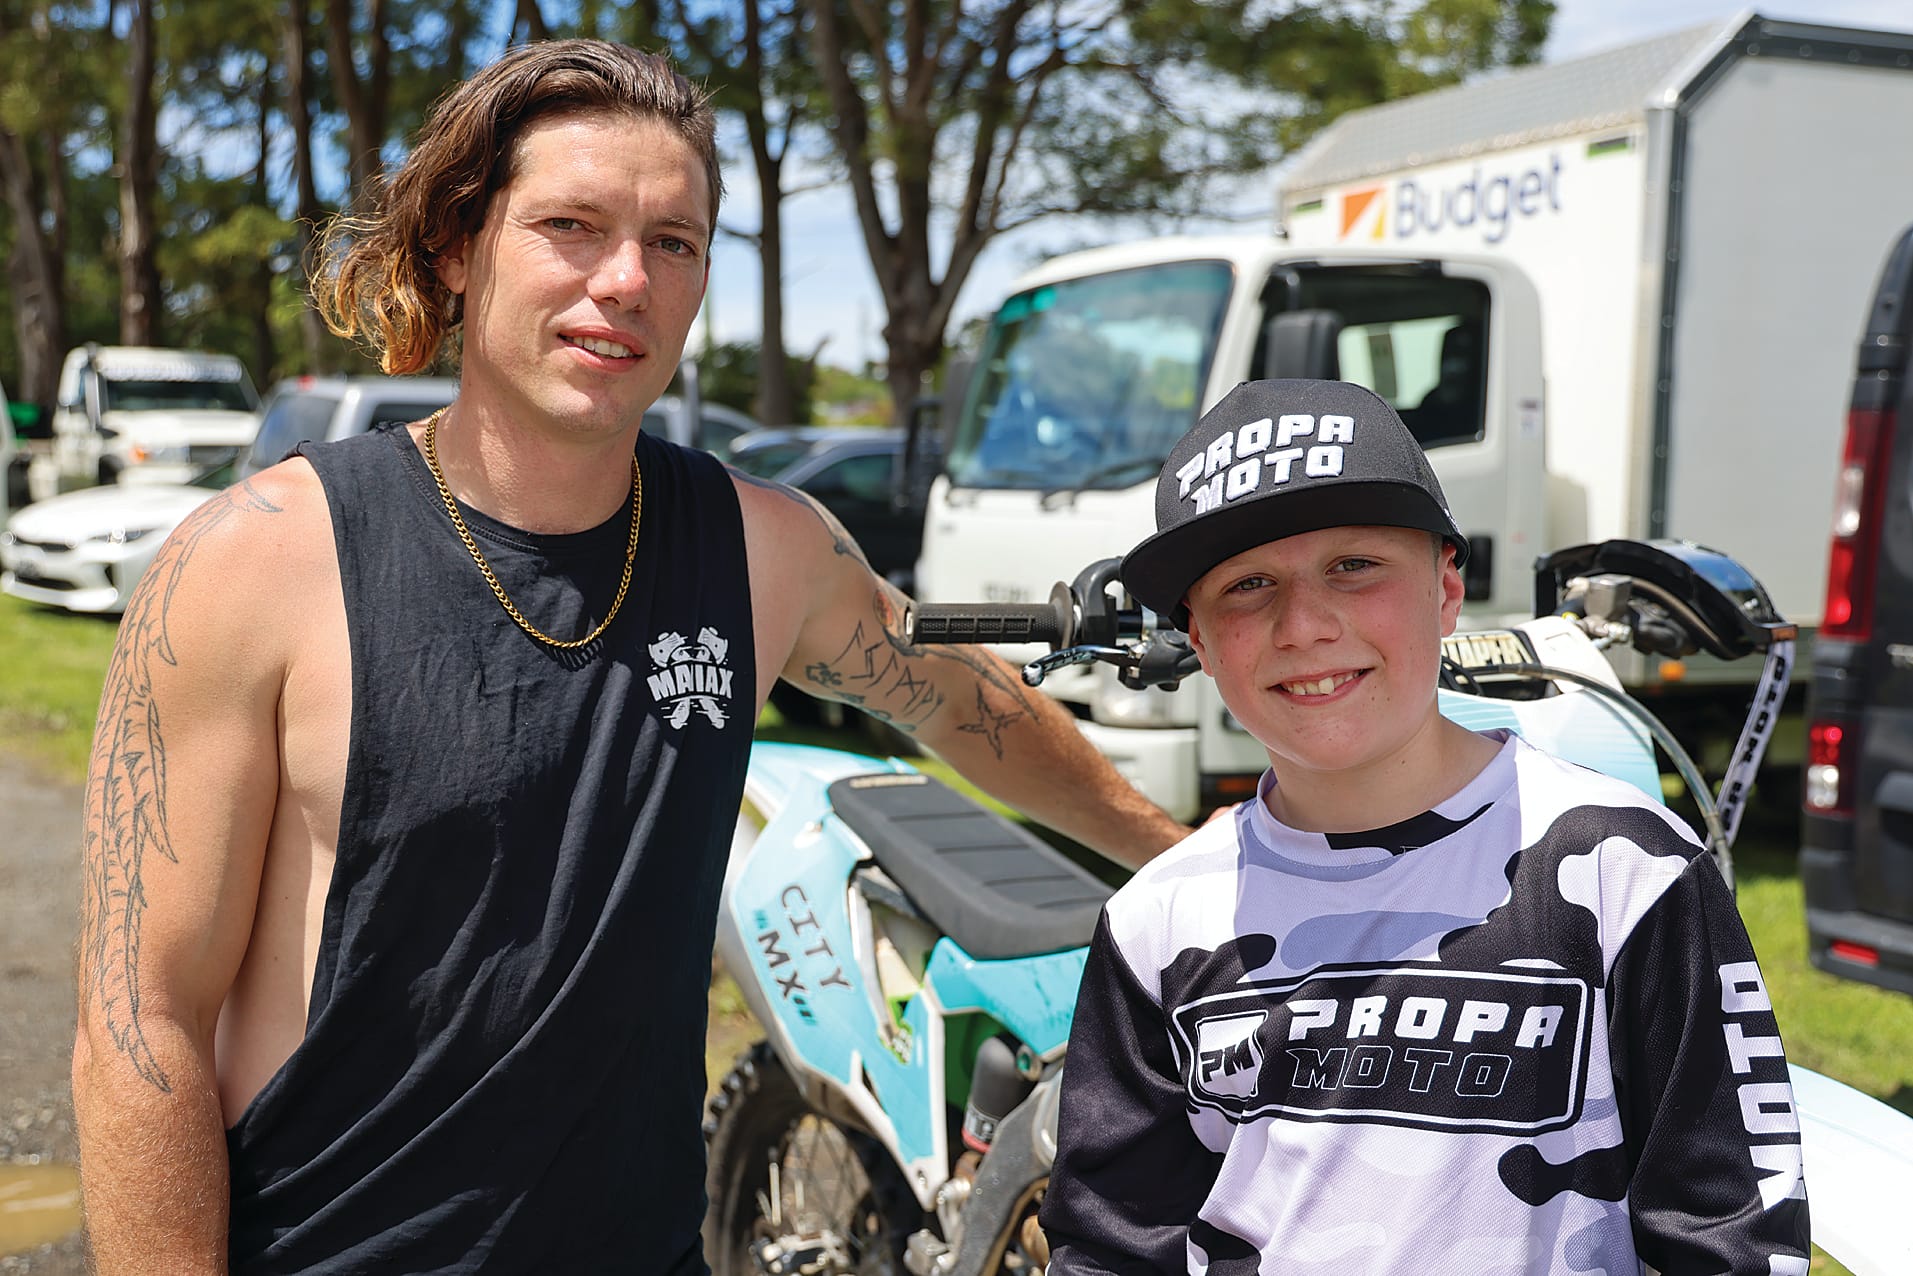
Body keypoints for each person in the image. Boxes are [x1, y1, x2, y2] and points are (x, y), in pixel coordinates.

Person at [70, 39, 1187, 1275]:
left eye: (673, 242)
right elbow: (141, 1023)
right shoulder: (256, 562)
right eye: (570, 226)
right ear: (455, 245)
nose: (625, 281)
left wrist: (1182, 858)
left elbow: (955, 700)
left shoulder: (763, 549)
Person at [1037, 379, 1810, 1274]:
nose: (1304, 625)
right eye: (1247, 585)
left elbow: (1728, 1233)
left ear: (1446, 588)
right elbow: (1111, 1249)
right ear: (1200, 642)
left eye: (1353, 566)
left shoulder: (1623, 868)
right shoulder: (1158, 917)